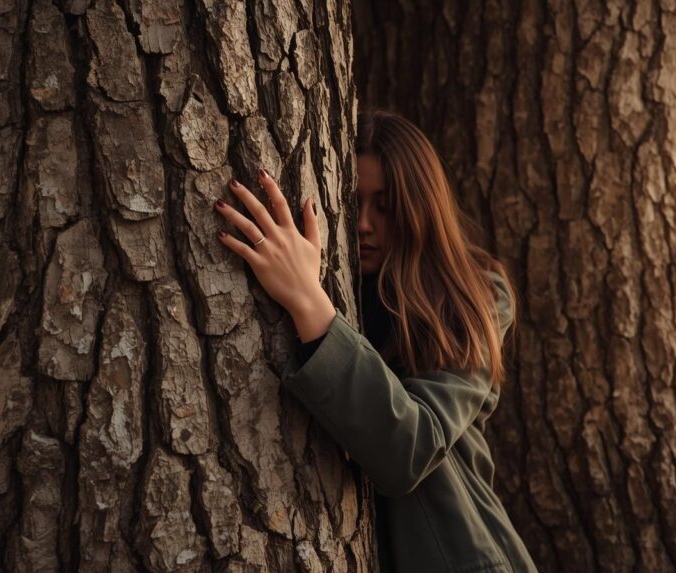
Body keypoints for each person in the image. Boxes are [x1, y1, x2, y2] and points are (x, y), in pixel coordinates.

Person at [212, 109, 539, 573]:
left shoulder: (474, 298)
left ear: (420, 209)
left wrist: (308, 300)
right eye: (353, 202)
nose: (364, 224)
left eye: (385, 207)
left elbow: (410, 448)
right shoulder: (349, 288)